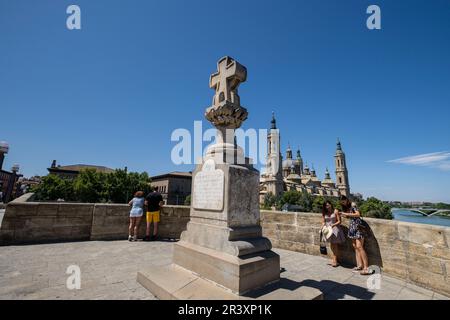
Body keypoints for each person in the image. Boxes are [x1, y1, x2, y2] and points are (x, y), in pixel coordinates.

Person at [340, 196, 371, 275]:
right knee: (355, 247)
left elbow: (358, 214)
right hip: (352, 227)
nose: (343, 202)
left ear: (346, 199)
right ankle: (359, 265)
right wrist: (343, 215)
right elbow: (350, 216)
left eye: (344, 200)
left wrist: (345, 213)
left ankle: (366, 268)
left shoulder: (353, 204)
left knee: (360, 247)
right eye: (341, 202)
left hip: (358, 227)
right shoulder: (346, 207)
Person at [321, 200, 345, 267]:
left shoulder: (335, 211)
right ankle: (334, 259)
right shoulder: (324, 212)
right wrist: (323, 226)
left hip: (335, 230)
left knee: (335, 245)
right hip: (328, 230)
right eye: (326, 205)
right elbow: (323, 221)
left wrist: (333, 225)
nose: (327, 206)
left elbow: (339, 221)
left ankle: (335, 260)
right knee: (331, 245)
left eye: (328, 205)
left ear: (331, 204)